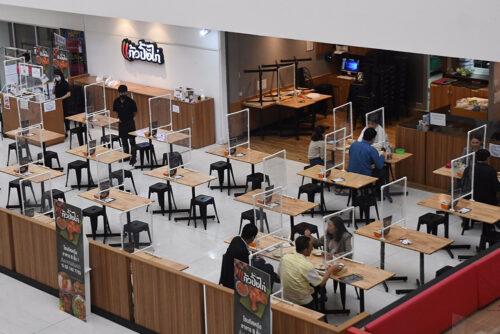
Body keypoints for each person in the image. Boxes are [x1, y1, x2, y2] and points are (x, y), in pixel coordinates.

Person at [279, 236, 341, 308]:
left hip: (285, 296)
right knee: (315, 285)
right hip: (302, 300)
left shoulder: (285, 258)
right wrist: (331, 269)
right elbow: (321, 283)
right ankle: (318, 305)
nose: (312, 249)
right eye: (311, 247)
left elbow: (279, 275)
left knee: (311, 283)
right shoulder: (307, 266)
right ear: (305, 250)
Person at [219, 223, 258, 289]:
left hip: (226, 276)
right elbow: (248, 268)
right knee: (265, 266)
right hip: (233, 282)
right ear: (252, 238)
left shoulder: (236, 239)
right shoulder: (243, 251)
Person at [113, 85, 137, 162]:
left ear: (126, 92)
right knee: (124, 141)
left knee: (132, 141)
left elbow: (135, 112)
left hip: (130, 123)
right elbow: (115, 111)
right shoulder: (116, 101)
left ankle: (133, 157)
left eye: (124, 92)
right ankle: (126, 156)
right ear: (119, 93)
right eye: (121, 93)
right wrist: (118, 118)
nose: (122, 94)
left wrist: (131, 118)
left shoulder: (131, 101)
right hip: (122, 123)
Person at [52, 69, 72, 134]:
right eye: (55, 76)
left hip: (64, 102)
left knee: (65, 116)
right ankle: (61, 130)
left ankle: (67, 129)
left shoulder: (65, 83)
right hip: (58, 102)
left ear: (60, 75)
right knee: (59, 117)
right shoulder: (57, 84)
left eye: (57, 76)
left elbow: (69, 94)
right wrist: (54, 85)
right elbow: (53, 92)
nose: (56, 77)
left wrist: (62, 98)